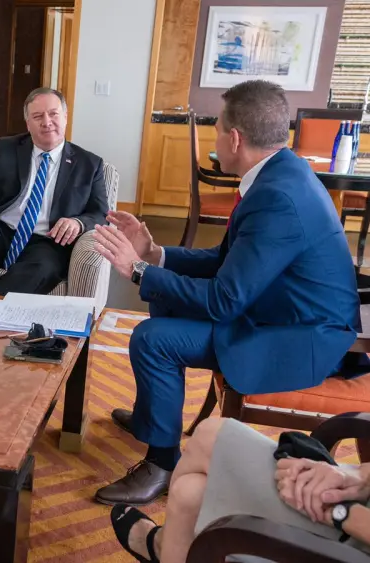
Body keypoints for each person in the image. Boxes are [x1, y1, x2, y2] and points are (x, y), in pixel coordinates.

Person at [91, 79, 360, 506]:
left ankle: (162, 464)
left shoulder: (278, 198)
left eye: (216, 130)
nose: (215, 140)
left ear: (234, 139)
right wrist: (156, 254)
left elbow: (223, 300)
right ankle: (152, 418)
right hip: (278, 308)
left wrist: (137, 270)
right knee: (163, 298)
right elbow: (226, 260)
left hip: (299, 336)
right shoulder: (281, 173)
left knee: (152, 339)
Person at [110, 417, 370, 562]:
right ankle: (166, 547)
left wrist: (342, 513)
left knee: (210, 435)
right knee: (190, 492)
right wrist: (359, 477)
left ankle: (162, 545)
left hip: (356, 536)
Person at [0, 87, 109, 295]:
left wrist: (78, 223)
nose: (47, 122)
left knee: (43, 267)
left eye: (53, 114)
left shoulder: (90, 164)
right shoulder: (4, 148)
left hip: (48, 240)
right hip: (1, 229)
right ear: (28, 123)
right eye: (37, 116)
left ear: (65, 117)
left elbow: (100, 213)